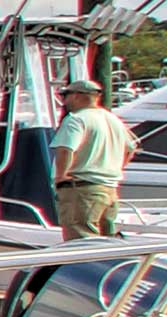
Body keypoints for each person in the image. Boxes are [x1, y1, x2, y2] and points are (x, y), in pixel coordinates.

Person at [52, 79, 135, 239]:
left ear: (76, 96)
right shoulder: (114, 120)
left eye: (65, 95)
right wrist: (116, 169)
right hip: (109, 189)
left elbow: (66, 149)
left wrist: (61, 176)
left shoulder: (76, 119)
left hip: (83, 189)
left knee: (81, 240)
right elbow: (130, 149)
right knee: (107, 241)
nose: (64, 100)